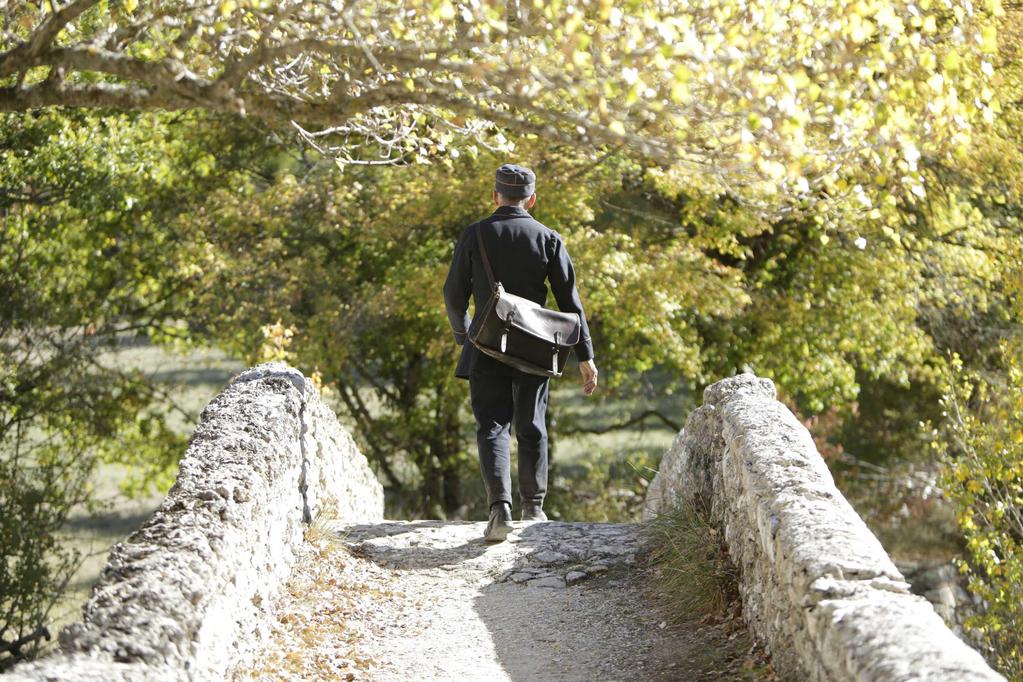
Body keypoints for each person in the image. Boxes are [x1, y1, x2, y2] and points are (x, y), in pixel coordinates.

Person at [443, 163, 599, 542]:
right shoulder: (548, 238)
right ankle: (534, 508)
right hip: (536, 347)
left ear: (495, 196)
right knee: (532, 424)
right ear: (532, 198)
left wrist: (466, 334)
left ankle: (500, 510)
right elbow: (570, 303)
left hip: (486, 347)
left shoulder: (475, 234)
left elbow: (453, 293)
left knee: (493, 426)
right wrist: (585, 356)